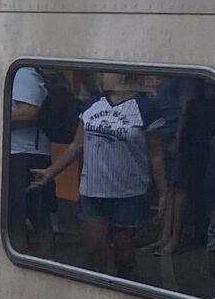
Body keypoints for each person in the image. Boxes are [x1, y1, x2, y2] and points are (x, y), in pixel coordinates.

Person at [47, 71, 169, 280]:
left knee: (124, 256)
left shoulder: (146, 107)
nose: (99, 76)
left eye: (104, 72)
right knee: (93, 250)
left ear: (122, 75)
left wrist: (163, 191)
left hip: (128, 192)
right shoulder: (93, 103)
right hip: (93, 189)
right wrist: (50, 172)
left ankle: (127, 288)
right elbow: (76, 145)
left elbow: (156, 154)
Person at [7, 62, 57, 248]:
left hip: (25, 154)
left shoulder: (23, 73)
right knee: (16, 218)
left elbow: (30, 111)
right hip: (21, 152)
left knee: (32, 219)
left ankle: (43, 260)